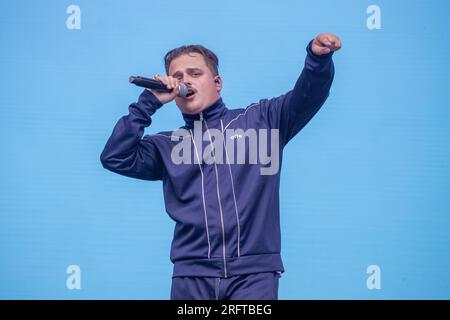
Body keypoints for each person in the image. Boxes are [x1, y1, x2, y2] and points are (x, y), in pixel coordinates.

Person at [100, 33, 341, 300]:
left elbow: (308, 96)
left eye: (194, 73)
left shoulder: (263, 121)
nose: (185, 81)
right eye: (177, 77)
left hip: (254, 277)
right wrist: (148, 103)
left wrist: (317, 60)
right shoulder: (167, 145)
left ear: (217, 83)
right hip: (191, 278)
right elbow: (116, 156)